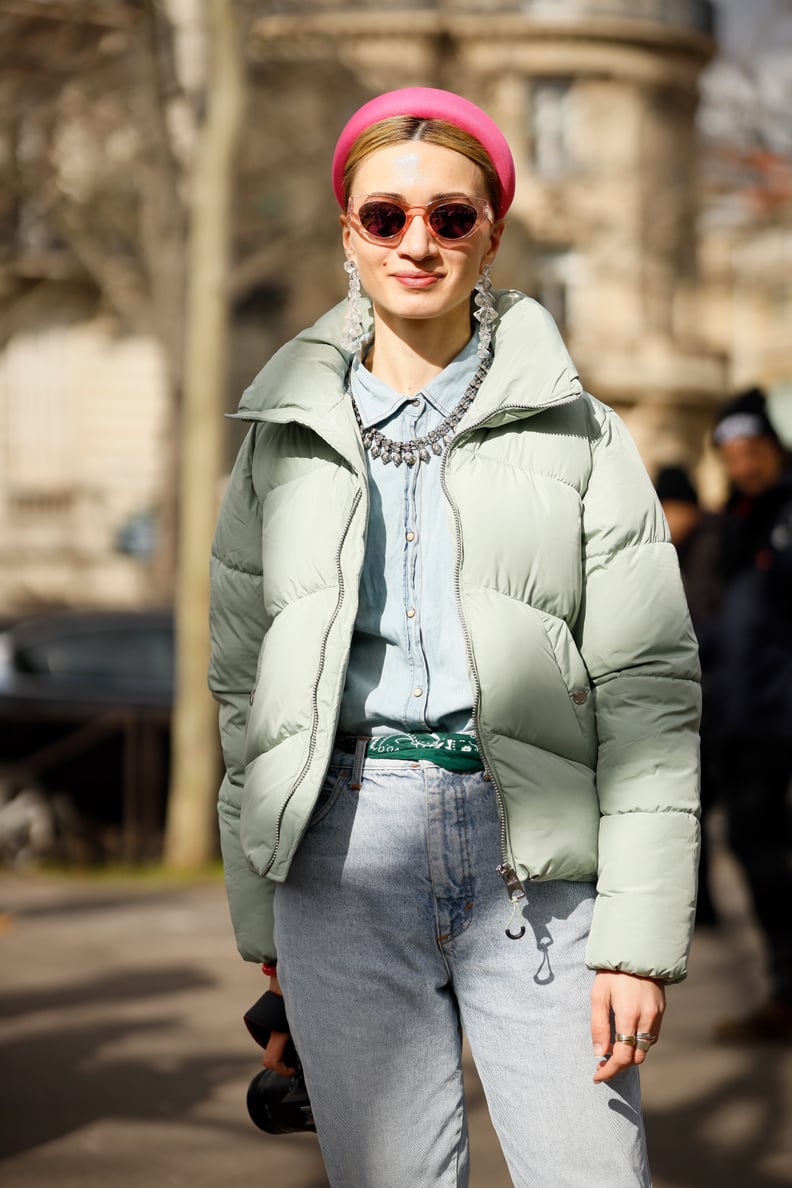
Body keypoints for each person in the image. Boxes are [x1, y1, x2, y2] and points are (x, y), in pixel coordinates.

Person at [209, 88, 701, 1187]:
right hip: (339, 859)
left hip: (535, 863)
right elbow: (246, 692)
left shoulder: (583, 430)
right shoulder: (280, 436)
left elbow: (650, 692)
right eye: (385, 217)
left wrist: (637, 939)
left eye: (450, 216)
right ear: (348, 230)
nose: (417, 242)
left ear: (493, 233)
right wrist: (267, 931)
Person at [708, 387, 792, 1043]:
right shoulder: (734, 521)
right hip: (745, 724)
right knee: (752, 847)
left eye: (752, 450)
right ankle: (786, 991)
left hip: (779, 715)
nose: (743, 463)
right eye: (731, 453)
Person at [654, 465, 722, 928]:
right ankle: (697, 904)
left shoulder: (713, 549)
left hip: (711, 699)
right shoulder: (662, 550)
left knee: (698, 803)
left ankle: (703, 904)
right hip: (679, 697)